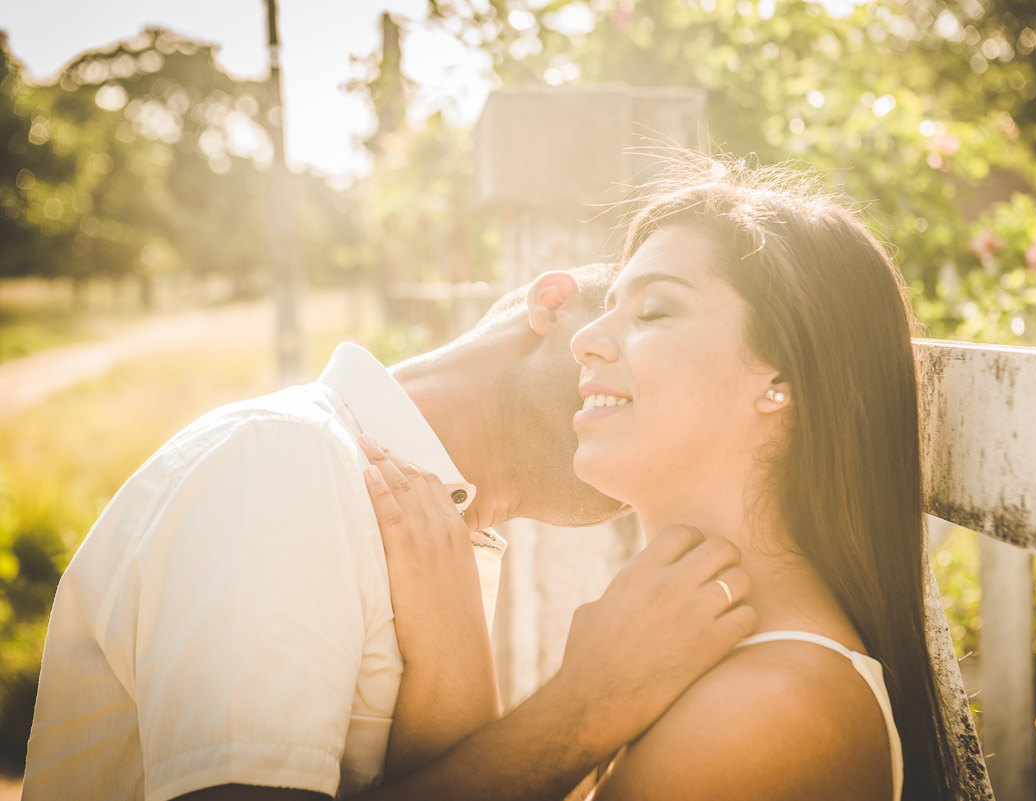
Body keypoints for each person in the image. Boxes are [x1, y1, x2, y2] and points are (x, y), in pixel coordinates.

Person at [22, 263, 757, 801]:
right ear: (553, 304)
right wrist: (587, 706)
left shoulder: (437, 542)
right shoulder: (289, 458)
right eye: (646, 320)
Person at [364, 157, 967, 801]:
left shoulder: (768, 711)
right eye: (609, 307)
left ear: (780, 380)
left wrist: (578, 705)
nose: (586, 339)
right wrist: (452, 637)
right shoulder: (686, 656)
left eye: (652, 311)